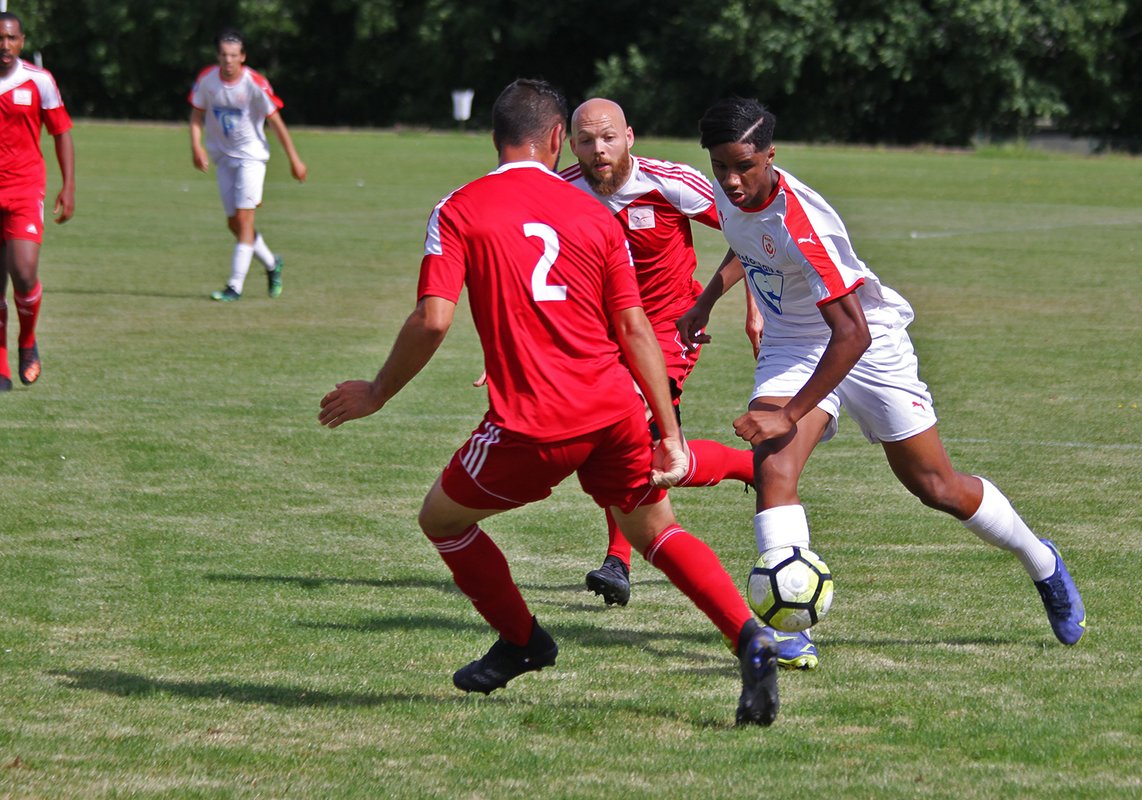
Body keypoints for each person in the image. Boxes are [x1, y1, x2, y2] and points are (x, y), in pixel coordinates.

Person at [318, 79, 779, 726]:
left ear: (496, 137)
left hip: (533, 420)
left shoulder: (460, 208)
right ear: (558, 137)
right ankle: (749, 637)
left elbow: (432, 320)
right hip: (616, 407)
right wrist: (667, 431)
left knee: (442, 520)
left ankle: (522, 640)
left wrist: (376, 391)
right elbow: (633, 328)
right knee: (657, 529)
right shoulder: (594, 213)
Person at [680, 97, 1086, 660]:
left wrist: (789, 412)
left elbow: (852, 335)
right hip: (793, 344)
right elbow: (746, 240)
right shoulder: (734, 193)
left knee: (935, 486)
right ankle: (792, 624)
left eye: (743, 166)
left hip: (865, 342)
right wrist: (706, 301)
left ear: (770, 155)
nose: (730, 180)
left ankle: (1043, 562)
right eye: (719, 166)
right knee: (773, 464)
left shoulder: (803, 220)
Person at [558, 99, 763, 604]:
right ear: (572, 145)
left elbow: (752, 231)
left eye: (608, 137)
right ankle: (753, 469)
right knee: (627, 445)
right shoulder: (562, 193)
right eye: (586, 140)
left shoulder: (671, 182)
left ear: (630, 136)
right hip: (605, 335)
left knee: (637, 432)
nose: (598, 150)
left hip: (672, 327)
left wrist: (745, 306)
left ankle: (617, 560)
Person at [188, 28, 306, 302]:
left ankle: (234, 286)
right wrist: (196, 146)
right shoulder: (207, 80)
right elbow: (196, 115)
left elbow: (275, 122)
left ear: (242, 56)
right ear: (218, 56)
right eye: (223, 55)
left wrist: (294, 159)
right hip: (223, 158)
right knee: (235, 223)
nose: (228, 60)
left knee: (244, 221)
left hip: (252, 158)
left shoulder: (255, 83)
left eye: (233, 55)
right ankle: (271, 263)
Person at [0, 11, 74, 391]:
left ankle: (26, 341)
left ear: (21, 41)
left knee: (24, 272)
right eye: (0, 37)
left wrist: (69, 186)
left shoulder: (39, 80)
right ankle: (0, 364)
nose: (4, 45)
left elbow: (61, 132)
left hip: (25, 189)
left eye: (11, 38)